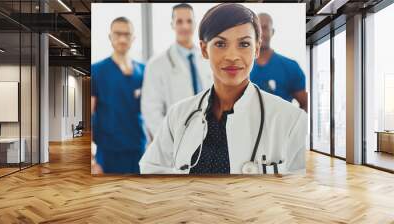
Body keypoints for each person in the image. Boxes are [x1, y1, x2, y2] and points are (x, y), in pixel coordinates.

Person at [139, 3, 307, 175]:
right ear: (204, 49)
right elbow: (151, 168)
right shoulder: (178, 115)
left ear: (256, 48)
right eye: (220, 44)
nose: (232, 56)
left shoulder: (292, 121)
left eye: (244, 44)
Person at [141, 3, 213, 139]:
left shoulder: (208, 60)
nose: (185, 26)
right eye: (179, 21)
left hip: (210, 138)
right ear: (172, 24)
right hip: (176, 141)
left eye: (189, 21)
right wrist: (171, 140)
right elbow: (151, 111)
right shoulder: (156, 65)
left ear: (195, 24)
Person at [91, 17, 146, 174]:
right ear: (110, 37)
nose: (122, 39)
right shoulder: (97, 71)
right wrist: (91, 159)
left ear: (133, 38)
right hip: (108, 153)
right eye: (117, 34)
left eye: (127, 34)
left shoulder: (144, 71)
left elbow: (151, 111)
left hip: (138, 149)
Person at [250, 13, 308, 112]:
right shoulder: (240, 69)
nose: (261, 33)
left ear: (272, 32)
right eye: (257, 29)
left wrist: (295, 125)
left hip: (282, 127)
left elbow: (306, 104)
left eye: (264, 28)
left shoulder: (290, 67)